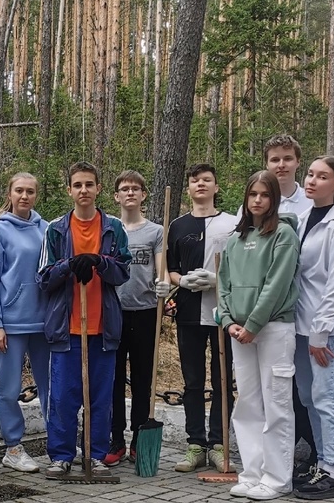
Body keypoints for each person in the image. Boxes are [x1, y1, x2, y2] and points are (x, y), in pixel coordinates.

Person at [37, 162, 132, 478]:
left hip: (103, 326)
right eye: (77, 185)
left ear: (98, 189)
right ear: (69, 190)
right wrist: (68, 267)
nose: (83, 191)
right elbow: (43, 277)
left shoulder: (113, 227)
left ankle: (95, 455)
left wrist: (99, 262)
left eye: (89, 184)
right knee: (63, 397)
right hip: (67, 327)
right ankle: (62, 456)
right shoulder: (56, 229)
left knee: (101, 399)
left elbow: (123, 272)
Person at [218, 170, 300, 500]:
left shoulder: (283, 235)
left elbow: (277, 284)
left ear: (273, 200)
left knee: (277, 403)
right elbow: (223, 284)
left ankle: (278, 478)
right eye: (252, 194)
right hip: (240, 333)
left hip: (273, 329)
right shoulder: (236, 240)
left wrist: (253, 324)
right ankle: (251, 472)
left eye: (264, 195)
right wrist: (228, 321)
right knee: (248, 404)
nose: (257, 200)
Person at [292, 155, 334, 499]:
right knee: (308, 395)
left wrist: (321, 332)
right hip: (302, 325)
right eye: (311, 174)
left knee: (328, 396)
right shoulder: (302, 218)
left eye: (322, 176)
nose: (312, 180)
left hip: (328, 329)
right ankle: (322, 460)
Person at [166, 163, 237, 472]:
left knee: (222, 379)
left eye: (207, 180)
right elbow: (170, 268)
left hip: (225, 312)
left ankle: (219, 444)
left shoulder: (232, 224)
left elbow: (241, 265)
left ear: (216, 186)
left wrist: (219, 280)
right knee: (193, 381)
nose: (201, 185)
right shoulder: (178, 226)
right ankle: (195, 443)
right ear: (189, 188)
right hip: (189, 311)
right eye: (195, 181)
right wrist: (180, 281)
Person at [257, 135, 318, 480]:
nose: (280, 165)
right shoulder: (257, 201)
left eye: (287, 159)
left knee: (304, 388)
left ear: (298, 162)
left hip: (303, 308)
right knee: (276, 387)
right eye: (274, 159)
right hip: (266, 312)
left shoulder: (309, 206)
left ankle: (311, 448)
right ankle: (282, 450)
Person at [0, 173, 52, 473]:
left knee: (52, 386)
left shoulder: (46, 229)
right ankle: (13, 448)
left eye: (31, 191)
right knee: (9, 389)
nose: (25, 196)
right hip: (10, 325)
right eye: (19, 191)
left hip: (44, 323)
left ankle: (58, 443)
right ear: (10, 194)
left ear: (37, 195)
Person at [106, 170, 170, 465]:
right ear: (117, 196)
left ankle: (138, 440)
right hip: (114, 312)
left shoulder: (156, 231)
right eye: (124, 189)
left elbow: (162, 269)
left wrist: (165, 283)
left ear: (144, 195)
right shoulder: (109, 228)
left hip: (145, 313)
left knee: (143, 380)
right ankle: (115, 439)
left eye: (135, 189)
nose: (130, 193)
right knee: (114, 379)